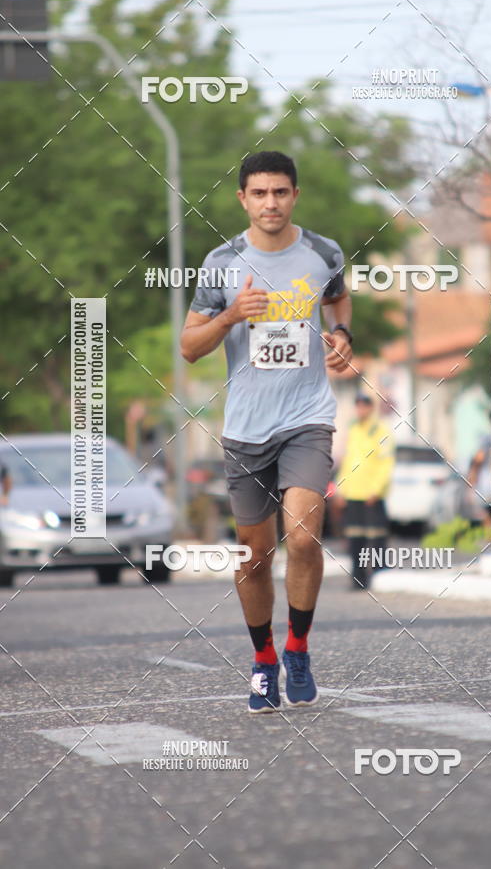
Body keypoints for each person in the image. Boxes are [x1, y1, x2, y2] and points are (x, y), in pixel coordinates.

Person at [180, 151, 352, 714]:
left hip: (307, 417)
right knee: (255, 556)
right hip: (246, 429)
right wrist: (230, 316)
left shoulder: (322, 252)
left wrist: (342, 333)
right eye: (260, 194)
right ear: (243, 199)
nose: (271, 203)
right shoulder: (221, 263)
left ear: (295, 195)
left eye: (280, 192)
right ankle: (263, 659)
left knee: (302, 538)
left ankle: (299, 648)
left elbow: (337, 298)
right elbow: (189, 346)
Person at [335, 394, 394, 589]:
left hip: (372, 495)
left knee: (376, 537)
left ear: (371, 408)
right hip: (354, 493)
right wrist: (341, 488)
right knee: (355, 538)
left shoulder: (380, 431)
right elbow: (347, 462)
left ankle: (379, 575)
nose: (361, 410)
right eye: (358, 406)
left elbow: (386, 463)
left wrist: (376, 489)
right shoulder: (354, 430)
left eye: (364, 406)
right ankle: (358, 579)